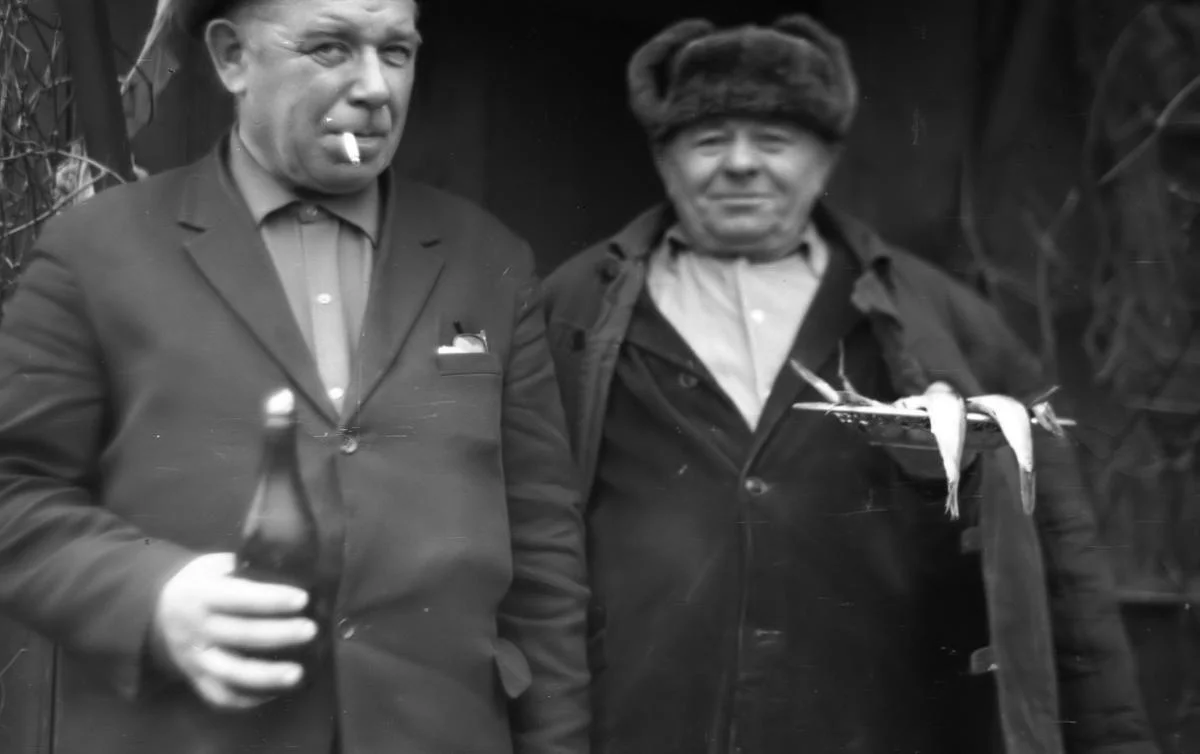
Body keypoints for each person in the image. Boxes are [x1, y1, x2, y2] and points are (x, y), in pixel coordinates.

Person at [542, 14, 1158, 754]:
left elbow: (1060, 555)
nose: (740, 164)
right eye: (707, 141)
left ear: (826, 160)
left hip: (875, 728)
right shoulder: (570, 312)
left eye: (774, 141)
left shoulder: (940, 323)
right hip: (640, 726)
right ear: (662, 158)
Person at [0, 1, 589, 753]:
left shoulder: (488, 258)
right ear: (231, 57)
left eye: (397, 52)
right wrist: (152, 597)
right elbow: (13, 486)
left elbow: (543, 549)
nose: (375, 87)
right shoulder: (96, 249)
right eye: (330, 48)